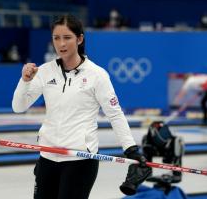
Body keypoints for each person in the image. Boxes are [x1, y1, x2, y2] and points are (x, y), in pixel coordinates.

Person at [12, 14, 151, 199]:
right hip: (47, 157)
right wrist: (25, 81)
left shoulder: (97, 75)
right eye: (56, 38)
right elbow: (18, 107)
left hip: (80, 161)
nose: (61, 44)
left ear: (79, 39)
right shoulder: (45, 71)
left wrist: (131, 149)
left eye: (67, 37)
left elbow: (115, 114)